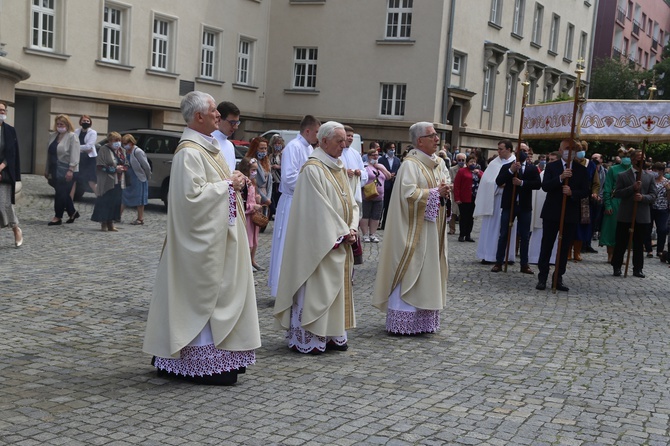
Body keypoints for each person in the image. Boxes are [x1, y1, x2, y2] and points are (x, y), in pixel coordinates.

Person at [143, 91, 260, 385]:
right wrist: (226, 184)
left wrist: (234, 181)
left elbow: (216, 185)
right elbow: (189, 200)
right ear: (198, 116)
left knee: (222, 294)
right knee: (204, 295)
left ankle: (221, 357)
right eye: (213, 111)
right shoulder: (189, 153)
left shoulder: (210, 148)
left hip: (222, 238)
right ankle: (196, 359)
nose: (218, 115)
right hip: (201, 243)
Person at [273, 121, 358, 354]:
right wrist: (343, 231)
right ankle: (310, 336)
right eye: (339, 141)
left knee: (335, 290)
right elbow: (318, 210)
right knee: (317, 288)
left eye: (344, 141)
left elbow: (351, 202)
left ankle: (332, 334)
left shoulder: (338, 166)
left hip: (339, 239)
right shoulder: (312, 169)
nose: (344, 145)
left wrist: (351, 226)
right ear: (323, 141)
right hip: (319, 244)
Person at [372, 122, 450, 335]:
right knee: (411, 268)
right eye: (432, 135)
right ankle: (403, 317)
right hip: (412, 229)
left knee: (429, 270)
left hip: (432, 228)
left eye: (436, 135)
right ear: (419, 141)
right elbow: (407, 194)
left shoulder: (437, 163)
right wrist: (435, 193)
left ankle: (423, 319)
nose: (437, 139)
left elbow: (444, 184)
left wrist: (444, 191)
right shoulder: (410, 164)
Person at [268, 115, 321, 297]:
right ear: (307, 131)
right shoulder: (294, 147)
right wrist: (315, 180)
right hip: (291, 201)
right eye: (316, 132)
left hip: (302, 201)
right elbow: (289, 178)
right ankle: (281, 289)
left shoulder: (308, 148)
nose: (318, 136)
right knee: (286, 244)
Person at [536, 140, 590, 291]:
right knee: (547, 244)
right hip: (552, 211)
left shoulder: (581, 169)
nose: (570, 151)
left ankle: (558, 277)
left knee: (564, 246)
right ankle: (542, 276)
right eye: (567, 148)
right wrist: (560, 178)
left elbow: (585, 190)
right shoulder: (552, 166)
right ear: (560, 149)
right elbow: (545, 186)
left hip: (570, 213)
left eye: (573, 149)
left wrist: (572, 192)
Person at [491, 142, 541, 274]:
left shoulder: (531, 168)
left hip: (524, 206)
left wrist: (522, 183)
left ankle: (524, 264)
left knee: (524, 236)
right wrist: (511, 171)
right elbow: (499, 181)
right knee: (504, 234)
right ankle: (499, 262)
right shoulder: (507, 167)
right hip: (509, 204)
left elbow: (537, 184)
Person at [611, 150, 657, 278]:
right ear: (632, 160)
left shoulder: (649, 177)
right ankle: (617, 266)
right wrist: (632, 188)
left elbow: (654, 196)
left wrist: (642, 197)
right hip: (626, 215)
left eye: (644, 158)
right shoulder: (623, 175)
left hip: (642, 216)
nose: (642, 160)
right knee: (621, 242)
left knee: (638, 243)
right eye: (638, 158)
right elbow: (617, 193)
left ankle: (638, 268)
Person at [475, 140, 516, 264]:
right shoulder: (494, 163)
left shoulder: (515, 163)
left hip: (508, 200)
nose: (498, 151)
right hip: (495, 200)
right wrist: (497, 184)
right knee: (492, 228)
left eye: (501, 149)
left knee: (507, 228)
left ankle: (506, 256)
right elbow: (486, 181)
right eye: (498, 149)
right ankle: (489, 254)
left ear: (509, 149)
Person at [600, 148, 634, 263]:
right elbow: (607, 187)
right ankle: (610, 254)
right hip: (615, 201)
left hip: (629, 202)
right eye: (624, 156)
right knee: (611, 229)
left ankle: (621, 255)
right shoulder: (613, 169)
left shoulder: (633, 170)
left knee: (626, 231)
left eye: (629, 156)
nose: (626, 159)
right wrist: (608, 204)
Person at [45, 114, 80, 226]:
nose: (59, 126)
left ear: (67, 125)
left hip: (67, 168)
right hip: (54, 168)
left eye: (62, 124)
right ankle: (72, 212)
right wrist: (47, 169)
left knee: (60, 193)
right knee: (62, 192)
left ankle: (57, 217)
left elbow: (75, 154)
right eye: (58, 124)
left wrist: (71, 169)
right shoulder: (53, 135)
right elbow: (49, 153)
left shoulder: (72, 136)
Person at [340, 126, 367, 264]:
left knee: (353, 227)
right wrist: (345, 173)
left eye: (352, 135)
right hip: (341, 199)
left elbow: (365, 173)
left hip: (354, 198)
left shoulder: (356, 154)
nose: (350, 138)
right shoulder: (336, 153)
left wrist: (359, 173)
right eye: (348, 135)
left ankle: (352, 260)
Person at [568, 141, 599, 261]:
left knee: (582, 227)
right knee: (571, 225)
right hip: (572, 197)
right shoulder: (570, 164)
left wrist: (594, 193)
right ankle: (568, 251)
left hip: (585, 199)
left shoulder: (590, 164)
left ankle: (577, 251)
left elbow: (596, 182)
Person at [528, 152, 559, 264]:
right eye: (549, 159)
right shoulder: (542, 174)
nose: (549, 162)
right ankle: (534, 257)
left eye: (553, 160)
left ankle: (552, 258)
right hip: (540, 211)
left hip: (553, 211)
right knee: (538, 233)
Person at [91, 132, 125, 232]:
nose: (118, 143)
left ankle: (111, 222)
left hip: (118, 180)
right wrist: (114, 169)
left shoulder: (121, 150)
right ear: (110, 141)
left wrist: (123, 168)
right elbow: (100, 166)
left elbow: (126, 162)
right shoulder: (103, 150)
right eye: (115, 140)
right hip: (106, 180)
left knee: (115, 202)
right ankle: (104, 222)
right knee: (106, 201)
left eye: (119, 140)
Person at [0, 101, 23, 247]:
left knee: (4, 204)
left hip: (5, 172)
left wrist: (2, 166)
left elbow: (12, 153)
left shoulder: (10, 130)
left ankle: (16, 228)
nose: (1, 113)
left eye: (3, 110)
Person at [238, 157, 264, 271]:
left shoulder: (252, 183)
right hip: (248, 216)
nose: (255, 172)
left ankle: (252, 260)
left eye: (256, 170)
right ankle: (246, 264)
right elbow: (243, 203)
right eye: (253, 169)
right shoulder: (243, 183)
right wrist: (253, 206)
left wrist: (257, 200)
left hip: (253, 216)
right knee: (248, 241)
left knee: (254, 241)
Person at [360, 148, 391, 243]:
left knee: (376, 216)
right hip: (367, 195)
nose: (375, 156)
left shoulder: (380, 166)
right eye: (373, 155)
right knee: (365, 215)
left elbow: (389, 176)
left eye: (377, 155)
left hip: (379, 196)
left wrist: (380, 168)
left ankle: (372, 234)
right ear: (368, 156)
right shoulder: (365, 166)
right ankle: (365, 234)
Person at [120, 134, 151, 225]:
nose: (124, 145)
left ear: (131, 142)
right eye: (123, 143)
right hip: (128, 177)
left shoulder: (138, 152)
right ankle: (118, 216)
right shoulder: (125, 151)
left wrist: (147, 176)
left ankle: (140, 218)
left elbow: (146, 166)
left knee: (139, 197)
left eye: (126, 143)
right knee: (124, 195)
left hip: (138, 177)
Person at [245, 137, 272, 233]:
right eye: (261, 148)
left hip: (265, 195)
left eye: (265, 148)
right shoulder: (252, 162)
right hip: (256, 194)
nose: (264, 151)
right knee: (253, 224)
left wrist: (268, 197)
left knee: (261, 225)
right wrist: (264, 198)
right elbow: (253, 182)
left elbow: (270, 181)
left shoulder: (267, 162)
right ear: (255, 148)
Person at [453, 155, 482, 242]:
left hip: (474, 198)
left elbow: (484, 178)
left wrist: (479, 173)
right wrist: (457, 198)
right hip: (464, 198)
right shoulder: (462, 171)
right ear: (467, 163)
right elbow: (457, 185)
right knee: (464, 217)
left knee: (471, 217)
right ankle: (462, 235)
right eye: (471, 162)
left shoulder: (477, 172)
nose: (473, 163)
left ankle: (468, 235)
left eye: (474, 162)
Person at [644, 162, 670, 257]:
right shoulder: (649, 181)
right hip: (650, 207)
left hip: (663, 208)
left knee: (662, 229)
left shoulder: (667, 182)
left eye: (658, 171)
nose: (655, 173)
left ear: (662, 171)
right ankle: (649, 249)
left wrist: (668, 190)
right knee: (647, 229)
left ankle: (660, 250)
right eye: (654, 170)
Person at [72, 115, 97, 199]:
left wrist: (78, 148)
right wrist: (82, 149)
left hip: (89, 159)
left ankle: (101, 199)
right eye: (84, 121)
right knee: (74, 179)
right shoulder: (76, 131)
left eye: (87, 121)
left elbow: (89, 146)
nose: (85, 122)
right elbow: (72, 145)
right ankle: (70, 200)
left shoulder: (93, 132)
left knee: (91, 181)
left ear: (90, 123)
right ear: (80, 122)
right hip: (78, 158)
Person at [212, 101, 241, 171]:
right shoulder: (208, 141)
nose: (235, 127)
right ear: (219, 119)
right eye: (232, 123)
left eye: (237, 123)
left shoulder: (230, 145)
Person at [378, 141, 400, 230]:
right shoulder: (381, 159)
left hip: (393, 184)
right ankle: (378, 222)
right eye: (391, 148)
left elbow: (399, 170)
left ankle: (385, 224)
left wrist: (395, 175)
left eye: (394, 148)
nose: (392, 150)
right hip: (383, 185)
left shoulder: (397, 160)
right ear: (386, 149)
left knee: (389, 206)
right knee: (382, 205)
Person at [448, 152, 466, 235]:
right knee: (453, 212)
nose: (461, 161)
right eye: (459, 160)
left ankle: (463, 230)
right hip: (455, 192)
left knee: (463, 213)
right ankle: (452, 229)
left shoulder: (468, 169)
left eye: (463, 160)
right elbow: (450, 181)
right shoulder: (452, 169)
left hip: (464, 194)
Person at [268, 134, 284, 220]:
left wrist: (279, 167)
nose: (277, 145)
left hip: (280, 179)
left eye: (279, 143)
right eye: (275, 143)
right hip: (272, 179)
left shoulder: (283, 154)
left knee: (278, 197)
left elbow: (286, 166)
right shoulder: (270, 155)